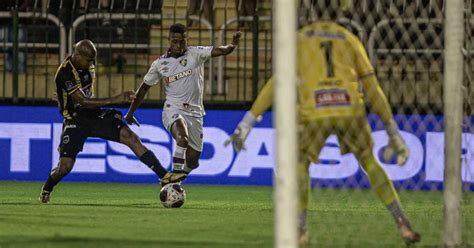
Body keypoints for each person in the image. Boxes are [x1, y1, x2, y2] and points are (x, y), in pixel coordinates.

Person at [225, 4, 421, 246]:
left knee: (299, 163)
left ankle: (300, 229)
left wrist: (247, 122)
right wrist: (393, 133)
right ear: (339, 12)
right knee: (369, 160)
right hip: (350, 108)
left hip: (314, 111)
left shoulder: (298, 40)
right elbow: (373, 89)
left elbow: (276, 83)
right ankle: (402, 223)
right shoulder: (349, 39)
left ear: (312, 12)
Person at [39, 39, 186, 204]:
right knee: (64, 167)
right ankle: (47, 188)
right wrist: (117, 98)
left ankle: (163, 176)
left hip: (93, 115)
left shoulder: (88, 67)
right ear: (78, 55)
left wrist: (62, 96)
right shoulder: (65, 73)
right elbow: (82, 101)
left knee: (129, 136)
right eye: (88, 60)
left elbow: (85, 96)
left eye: (92, 60)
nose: (91, 64)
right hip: (75, 120)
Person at [125, 23, 241, 178]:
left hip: (195, 113)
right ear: (169, 40)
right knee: (182, 138)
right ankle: (174, 176)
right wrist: (130, 113)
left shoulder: (196, 53)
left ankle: (175, 182)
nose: (179, 45)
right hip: (174, 109)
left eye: (182, 41)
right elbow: (143, 89)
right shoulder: (160, 64)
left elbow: (222, 50)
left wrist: (232, 44)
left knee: (193, 161)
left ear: (187, 40)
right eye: (175, 41)